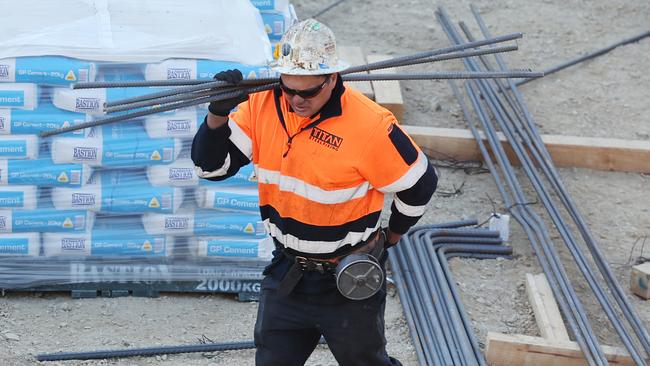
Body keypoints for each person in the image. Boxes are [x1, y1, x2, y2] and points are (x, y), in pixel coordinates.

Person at [192, 19, 437, 366]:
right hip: (288, 275)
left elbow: (421, 182)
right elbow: (211, 168)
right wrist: (218, 114)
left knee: (365, 361)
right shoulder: (265, 106)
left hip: (348, 281)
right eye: (288, 88)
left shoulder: (368, 126)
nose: (296, 101)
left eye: (307, 92)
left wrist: (392, 235)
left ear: (333, 78)